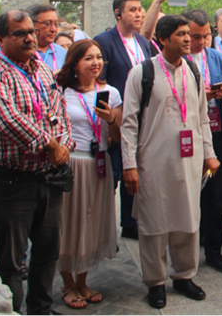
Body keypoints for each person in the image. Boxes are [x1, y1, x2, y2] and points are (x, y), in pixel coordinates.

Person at [0, 9, 73, 313]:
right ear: (1, 38)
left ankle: (40, 309)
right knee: (12, 262)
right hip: (12, 183)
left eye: (31, 31)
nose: (29, 37)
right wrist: (51, 145)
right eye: (20, 33)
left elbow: (60, 110)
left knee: (47, 254)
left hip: (49, 179)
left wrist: (64, 145)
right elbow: (6, 119)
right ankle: (11, 311)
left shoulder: (41, 68)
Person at [121, 15, 219, 309]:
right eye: (181, 34)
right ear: (163, 40)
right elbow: (128, 123)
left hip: (189, 161)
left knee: (188, 218)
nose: (189, 39)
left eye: (189, 33)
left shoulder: (193, 70)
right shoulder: (142, 72)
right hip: (153, 161)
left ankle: (184, 276)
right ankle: (156, 282)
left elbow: (202, 117)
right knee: (154, 223)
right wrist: (129, 164)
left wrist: (210, 153)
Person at [55, 40, 123, 308]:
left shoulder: (111, 92)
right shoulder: (60, 92)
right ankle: (67, 283)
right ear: (74, 63)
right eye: (88, 58)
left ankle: (82, 280)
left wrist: (110, 120)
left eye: (98, 58)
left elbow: (116, 137)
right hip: (71, 162)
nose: (95, 63)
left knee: (93, 221)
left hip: (100, 163)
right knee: (68, 223)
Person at [94, 0, 165, 240]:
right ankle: (101, 230)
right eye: (133, 10)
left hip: (144, 119)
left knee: (134, 172)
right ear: (118, 13)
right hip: (117, 119)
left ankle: (131, 223)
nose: (139, 13)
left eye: (140, 9)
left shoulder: (144, 43)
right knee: (113, 174)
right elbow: (99, 84)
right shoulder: (103, 41)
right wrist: (110, 121)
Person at [181, 9, 222, 273]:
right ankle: (185, 250)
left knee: (215, 196)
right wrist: (199, 95)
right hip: (186, 137)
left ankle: (214, 250)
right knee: (187, 195)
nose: (201, 41)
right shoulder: (176, 61)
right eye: (195, 36)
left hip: (216, 134)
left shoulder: (215, 57)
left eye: (205, 36)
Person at [27, 4, 68, 73]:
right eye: (47, 23)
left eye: (56, 24)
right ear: (32, 24)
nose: (53, 29)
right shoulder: (24, 51)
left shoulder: (62, 52)